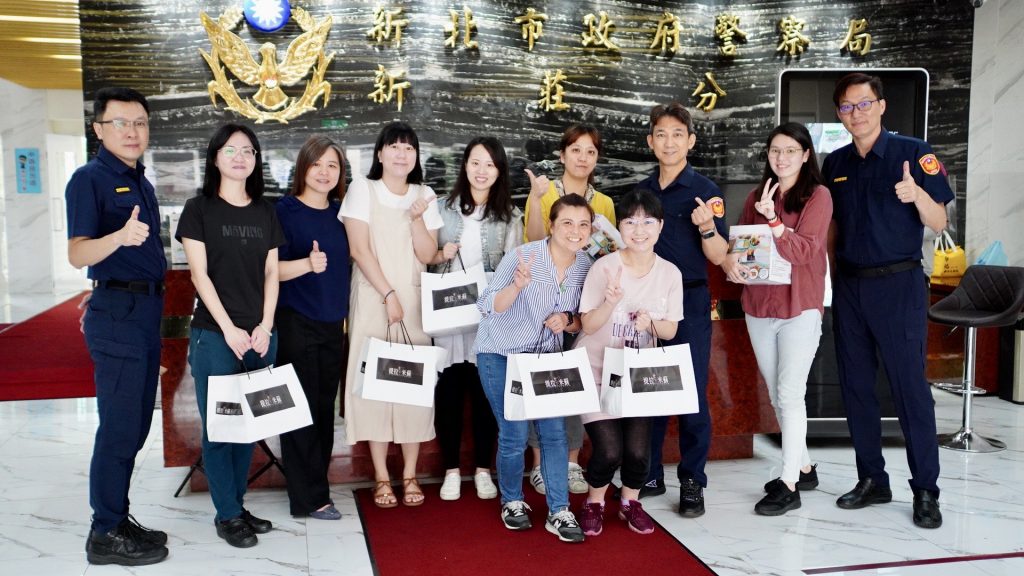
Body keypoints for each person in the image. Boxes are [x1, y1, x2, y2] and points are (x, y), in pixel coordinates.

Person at [822, 73, 952, 529]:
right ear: (839, 114)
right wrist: (830, 282)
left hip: (899, 286)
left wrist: (917, 195)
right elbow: (832, 229)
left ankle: (926, 490)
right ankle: (872, 479)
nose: (856, 113)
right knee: (856, 388)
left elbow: (939, 221)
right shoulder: (835, 163)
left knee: (909, 389)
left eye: (864, 104)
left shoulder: (913, 153)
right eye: (846, 107)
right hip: (850, 287)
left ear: (881, 106)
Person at [67, 87, 169, 566]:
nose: (132, 132)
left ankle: (118, 517)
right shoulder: (88, 179)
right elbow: (77, 253)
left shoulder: (139, 179)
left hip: (142, 312)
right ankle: (104, 532)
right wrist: (118, 238)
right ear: (99, 129)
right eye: (121, 123)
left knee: (136, 425)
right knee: (119, 428)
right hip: (119, 316)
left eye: (140, 123)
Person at [176, 123, 284, 548]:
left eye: (248, 150)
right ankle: (226, 515)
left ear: (256, 160)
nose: (240, 157)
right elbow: (199, 276)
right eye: (231, 149)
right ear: (215, 157)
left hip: (260, 336)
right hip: (216, 336)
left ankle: (236, 506)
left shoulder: (265, 211)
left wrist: (265, 326)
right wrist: (229, 329)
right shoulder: (198, 209)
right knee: (221, 428)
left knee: (249, 426)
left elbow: (272, 272)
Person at [722, 123, 832, 516]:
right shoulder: (757, 195)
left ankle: (789, 484)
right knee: (776, 394)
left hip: (799, 308)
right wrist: (734, 261)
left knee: (789, 394)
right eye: (775, 151)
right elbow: (743, 246)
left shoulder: (818, 196)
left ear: (806, 155)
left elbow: (804, 251)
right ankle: (804, 468)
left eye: (790, 151)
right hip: (758, 306)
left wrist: (774, 222)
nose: (781, 158)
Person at [475, 194, 592, 543]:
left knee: (554, 434)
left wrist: (567, 320)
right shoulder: (524, 256)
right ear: (552, 225)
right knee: (513, 433)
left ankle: (559, 510)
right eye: (567, 223)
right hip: (501, 354)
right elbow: (488, 305)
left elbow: (582, 319)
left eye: (583, 224)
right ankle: (512, 501)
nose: (575, 231)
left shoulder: (586, 265)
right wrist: (517, 286)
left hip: (545, 361)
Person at [340, 121, 441, 508]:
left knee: (412, 386)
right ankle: (382, 477)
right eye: (394, 146)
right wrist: (388, 293)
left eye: (409, 148)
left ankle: (410, 474)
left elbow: (428, 255)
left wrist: (416, 218)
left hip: (414, 303)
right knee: (375, 387)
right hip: (373, 297)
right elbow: (359, 249)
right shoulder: (361, 189)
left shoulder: (424, 194)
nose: (402, 154)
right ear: (380, 153)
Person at [636, 102, 728, 517]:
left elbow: (719, 254)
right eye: (661, 134)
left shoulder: (705, 190)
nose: (669, 142)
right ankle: (649, 472)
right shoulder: (641, 193)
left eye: (677, 134)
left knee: (690, 391)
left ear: (690, 141)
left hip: (689, 300)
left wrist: (706, 226)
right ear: (650, 141)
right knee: (647, 388)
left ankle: (692, 480)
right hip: (644, 301)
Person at [573, 190, 683, 536]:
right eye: (630, 222)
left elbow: (670, 330)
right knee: (608, 450)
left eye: (647, 221)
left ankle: (630, 502)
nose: (639, 230)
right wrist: (609, 303)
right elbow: (588, 324)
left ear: (660, 226)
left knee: (637, 453)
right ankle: (594, 503)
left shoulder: (670, 273)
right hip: (596, 370)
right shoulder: (604, 267)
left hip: (638, 376)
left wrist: (650, 324)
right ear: (619, 226)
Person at [430, 137, 522, 501]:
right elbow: (426, 257)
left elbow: (513, 267)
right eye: (475, 162)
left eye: (490, 164)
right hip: (449, 313)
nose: (482, 171)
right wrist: (441, 253)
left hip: (489, 316)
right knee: (449, 392)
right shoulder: (441, 208)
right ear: (465, 165)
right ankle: (451, 470)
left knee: (487, 395)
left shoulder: (510, 215)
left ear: (499, 171)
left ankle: (484, 468)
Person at [523, 124, 613, 495]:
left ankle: (573, 462)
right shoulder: (545, 193)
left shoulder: (604, 202)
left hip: (583, 302)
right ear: (562, 155)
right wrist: (534, 199)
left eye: (590, 151)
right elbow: (531, 240)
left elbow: (608, 254)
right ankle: (540, 465)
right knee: (542, 380)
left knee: (576, 378)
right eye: (575, 150)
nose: (582, 158)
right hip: (543, 300)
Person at [275, 135, 349, 520]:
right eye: (317, 163)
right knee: (300, 412)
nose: (324, 172)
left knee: (322, 410)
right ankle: (309, 499)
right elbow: (268, 270)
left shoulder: (341, 213)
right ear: (303, 166)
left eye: (332, 165)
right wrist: (306, 264)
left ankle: (316, 486)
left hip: (332, 324)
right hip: (296, 321)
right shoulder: (284, 211)